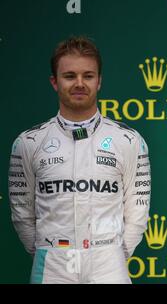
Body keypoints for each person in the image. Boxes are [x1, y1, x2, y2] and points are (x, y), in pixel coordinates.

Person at [8, 36, 151, 284]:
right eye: (69, 76)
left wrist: (112, 254)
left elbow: (138, 211)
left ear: (99, 81)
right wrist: (48, 251)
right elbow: (21, 212)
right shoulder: (28, 143)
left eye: (88, 76)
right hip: (52, 265)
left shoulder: (129, 141)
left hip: (109, 264)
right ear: (54, 82)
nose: (79, 83)